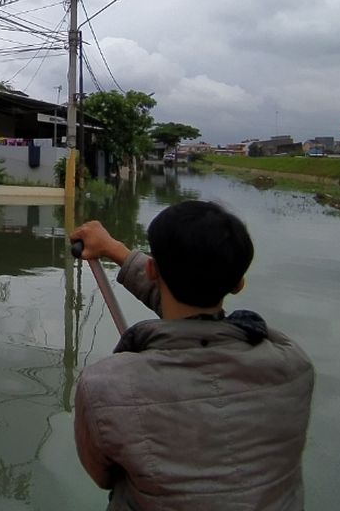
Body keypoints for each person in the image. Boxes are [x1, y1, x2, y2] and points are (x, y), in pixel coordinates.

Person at [72, 200, 314, 510]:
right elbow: (201, 320)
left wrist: (116, 250)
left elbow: (103, 475)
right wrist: (115, 250)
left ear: (151, 269)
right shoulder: (294, 365)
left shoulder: (102, 388)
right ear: (238, 284)